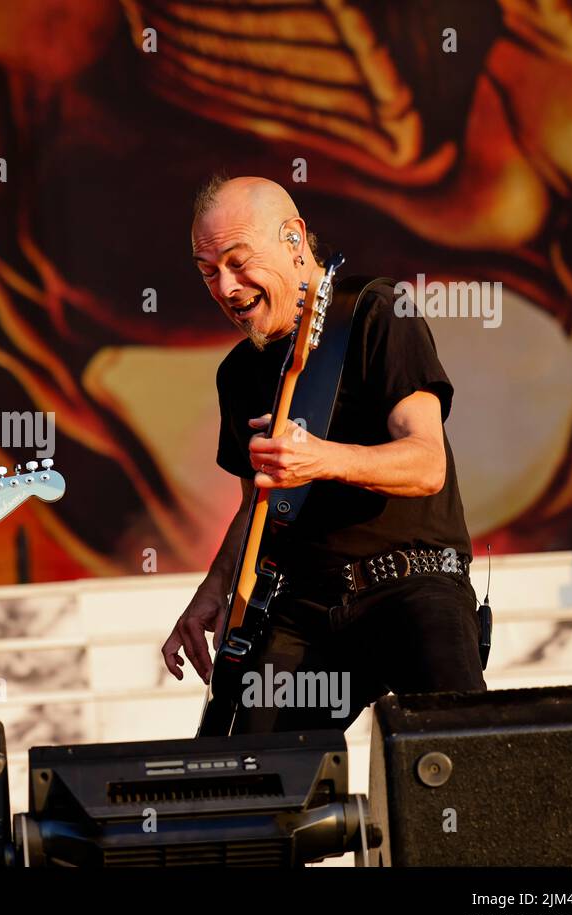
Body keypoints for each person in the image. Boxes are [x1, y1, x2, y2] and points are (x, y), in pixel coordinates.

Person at [162, 175, 486, 735]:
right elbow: (256, 508)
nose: (225, 287)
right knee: (245, 771)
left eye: (239, 262)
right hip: (304, 604)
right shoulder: (238, 374)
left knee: (462, 757)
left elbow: (426, 462)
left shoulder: (377, 312)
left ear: (294, 240)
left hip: (413, 581)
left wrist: (322, 459)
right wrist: (212, 591)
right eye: (208, 271)